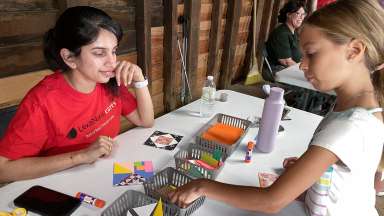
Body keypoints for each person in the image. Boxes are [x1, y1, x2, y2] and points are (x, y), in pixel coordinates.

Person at [169, 0, 384, 215]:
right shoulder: (360, 109)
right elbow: (351, 171)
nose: (302, 64)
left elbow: (271, 201)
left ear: (354, 50)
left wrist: (202, 185)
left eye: (311, 53)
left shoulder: (350, 125)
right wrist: (312, 169)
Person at [0, 6, 154, 183]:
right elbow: (3, 170)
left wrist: (139, 79)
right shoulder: (42, 101)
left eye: (113, 51)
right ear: (69, 58)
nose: (112, 62)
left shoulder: (109, 80)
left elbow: (146, 120)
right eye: (99, 53)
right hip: (59, 184)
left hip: (101, 175)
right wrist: (81, 156)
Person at [266, 1, 307, 71]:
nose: (301, 17)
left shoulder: (293, 32)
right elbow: (286, 62)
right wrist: (304, 71)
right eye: (298, 13)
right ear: (288, 14)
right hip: (281, 70)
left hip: (294, 69)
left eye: (303, 14)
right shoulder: (281, 33)